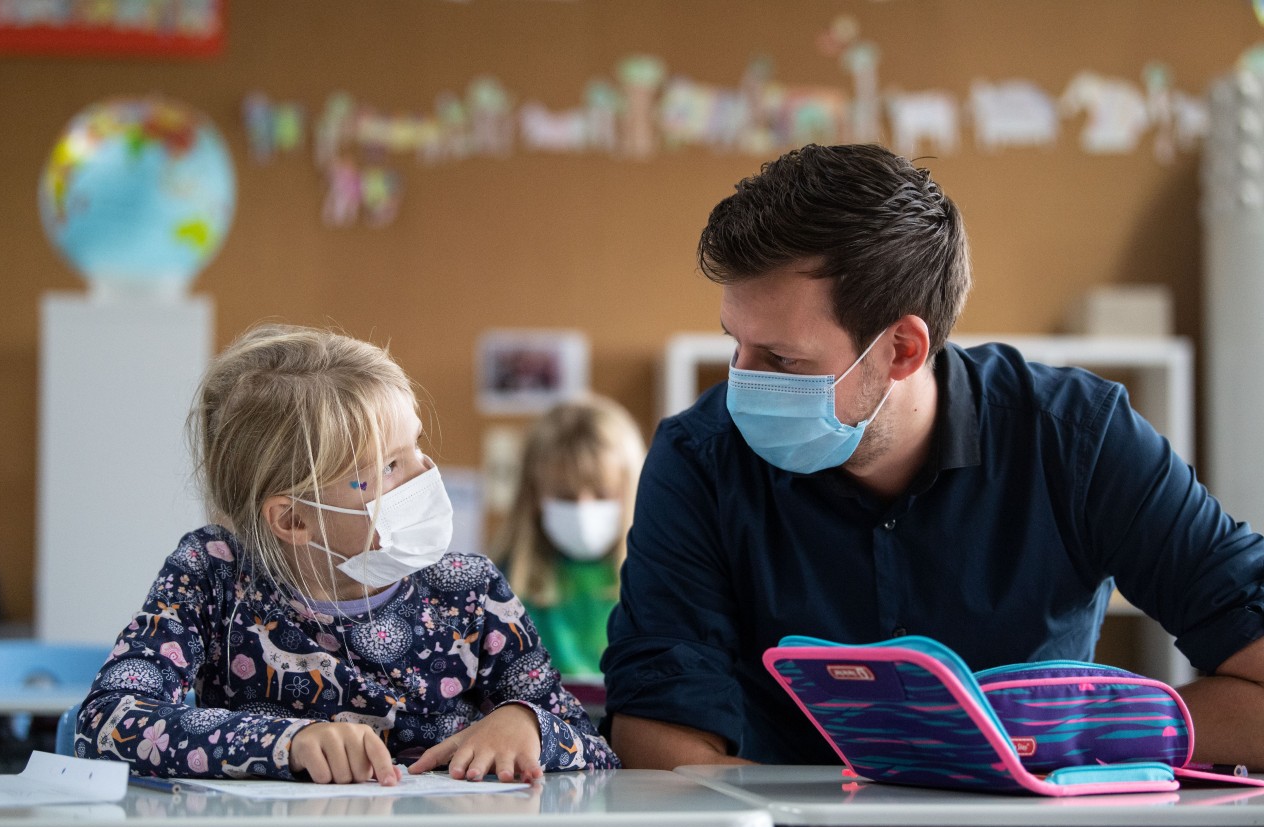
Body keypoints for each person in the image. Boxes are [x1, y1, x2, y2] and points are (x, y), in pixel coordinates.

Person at [602, 143, 1264, 770]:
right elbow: (658, 732)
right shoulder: (700, 458)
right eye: (735, 344)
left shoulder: (1078, 440)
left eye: (781, 359)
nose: (742, 382)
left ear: (902, 350)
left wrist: (1088, 725)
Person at [76, 323, 619, 784]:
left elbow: (597, 754)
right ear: (293, 519)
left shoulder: (470, 592)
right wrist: (289, 744)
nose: (424, 475)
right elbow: (106, 722)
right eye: (384, 468)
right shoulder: (213, 573)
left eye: (415, 448)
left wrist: (528, 725)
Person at [490, 395, 647, 680]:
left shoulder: (656, 584)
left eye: (602, 493)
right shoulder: (501, 586)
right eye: (565, 496)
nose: (584, 509)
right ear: (533, 495)